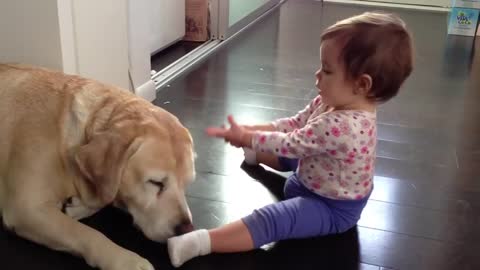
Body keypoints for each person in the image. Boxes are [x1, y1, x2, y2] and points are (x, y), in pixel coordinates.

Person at [167, 11, 414, 267]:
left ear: (362, 85)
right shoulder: (334, 101)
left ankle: (199, 243)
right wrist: (250, 131)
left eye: (327, 70)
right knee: (293, 154)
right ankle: (255, 157)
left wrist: (249, 138)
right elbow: (294, 125)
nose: (317, 76)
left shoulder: (344, 127)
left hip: (332, 207)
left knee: (275, 219)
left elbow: (291, 143)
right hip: (317, 177)